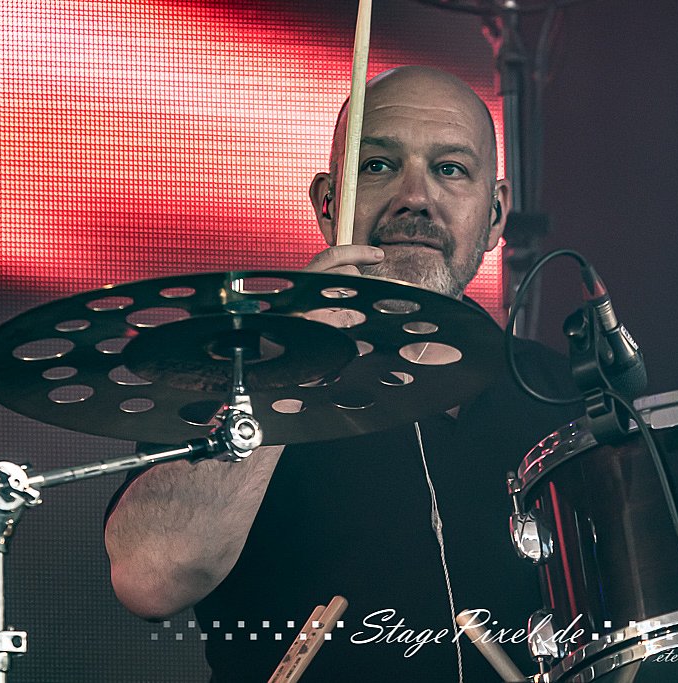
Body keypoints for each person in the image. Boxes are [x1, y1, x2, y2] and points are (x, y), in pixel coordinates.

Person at [104, 65, 580, 682]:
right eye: (378, 165)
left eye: (450, 169)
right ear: (328, 204)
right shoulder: (230, 379)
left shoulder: (571, 396)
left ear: (495, 215)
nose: (415, 197)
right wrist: (288, 369)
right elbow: (151, 577)